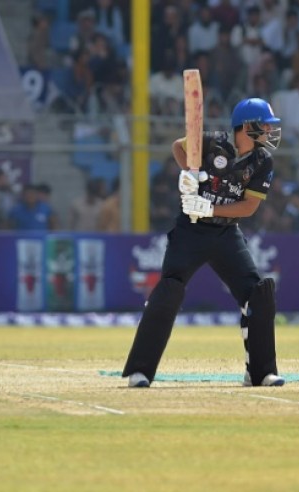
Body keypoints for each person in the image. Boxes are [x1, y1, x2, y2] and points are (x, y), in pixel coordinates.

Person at [121, 98, 285, 388]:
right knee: (168, 289)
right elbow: (177, 146)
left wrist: (208, 208)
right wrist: (190, 173)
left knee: (258, 293)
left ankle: (260, 372)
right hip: (190, 232)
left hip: (226, 234)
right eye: (265, 126)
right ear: (247, 126)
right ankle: (141, 371)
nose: (270, 133)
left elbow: (247, 208)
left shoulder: (262, 161)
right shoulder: (211, 142)